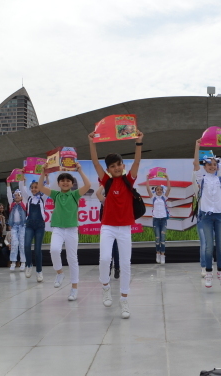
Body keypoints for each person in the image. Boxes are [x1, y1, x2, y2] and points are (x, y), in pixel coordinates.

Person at [89, 129, 144, 319]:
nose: (117, 168)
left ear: (123, 165)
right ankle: (105, 287)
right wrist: (92, 143)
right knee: (105, 259)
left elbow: (137, 162)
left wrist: (138, 142)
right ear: (109, 169)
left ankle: (124, 299)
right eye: (112, 166)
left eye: (119, 164)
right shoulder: (107, 181)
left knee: (126, 263)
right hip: (108, 227)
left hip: (125, 228)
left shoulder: (129, 180)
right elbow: (95, 163)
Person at [36, 163, 91, 302]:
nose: (65, 183)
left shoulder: (75, 194)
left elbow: (88, 185)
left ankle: (74, 288)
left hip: (72, 230)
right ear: (59, 183)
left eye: (68, 181)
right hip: (58, 229)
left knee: (72, 259)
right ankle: (59, 273)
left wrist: (80, 170)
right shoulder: (56, 194)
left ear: (72, 183)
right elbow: (41, 187)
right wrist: (43, 171)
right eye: (63, 181)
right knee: (54, 250)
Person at [193, 139, 221, 288]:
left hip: (219, 215)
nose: (212, 166)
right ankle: (209, 273)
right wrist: (197, 146)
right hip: (205, 216)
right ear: (205, 166)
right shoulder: (201, 178)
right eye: (209, 164)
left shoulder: (220, 179)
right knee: (208, 246)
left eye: (214, 164)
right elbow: (195, 164)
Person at [20, 175, 47, 282]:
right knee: (26, 245)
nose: (34, 189)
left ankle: (39, 271)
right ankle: (29, 265)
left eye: (36, 187)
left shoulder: (42, 198)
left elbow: (47, 187)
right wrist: (22, 179)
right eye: (32, 187)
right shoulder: (28, 198)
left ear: (40, 188)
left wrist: (46, 177)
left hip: (40, 226)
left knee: (37, 249)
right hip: (30, 225)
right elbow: (22, 188)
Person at [145, 173, 172, 265]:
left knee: (163, 238)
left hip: (163, 219)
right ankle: (157, 254)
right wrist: (147, 179)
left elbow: (169, 188)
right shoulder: (153, 198)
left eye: (160, 189)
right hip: (156, 220)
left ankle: (163, 254)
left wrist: (167, 177)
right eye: (158, 189)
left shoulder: (164, 197)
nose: (159, 191)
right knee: (157, 238)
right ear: (155, 191)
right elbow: (148, 189)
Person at [96, 186, 120, 279]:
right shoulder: (105, 200)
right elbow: (98, 193)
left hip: (117, 228)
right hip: (107, 228)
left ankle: (116, 269)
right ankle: (111, 269)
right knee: (109, 250)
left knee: (115, 250)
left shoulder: (117, 201)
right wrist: (103, 184)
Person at [6, 185, 27, 272]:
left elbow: (24, 191)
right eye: (15, 195)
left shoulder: (24, 203)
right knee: (14, 244)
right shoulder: (12, 204)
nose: (16, 197)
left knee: (22, 244)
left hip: (22, 226)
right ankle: (13, 262)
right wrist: (8, 185)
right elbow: (8, 195)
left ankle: (23, 262)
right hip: (14, 226)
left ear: (21, 196)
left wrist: (23, 183)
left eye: (18, 195)